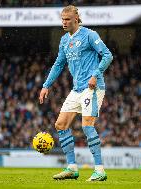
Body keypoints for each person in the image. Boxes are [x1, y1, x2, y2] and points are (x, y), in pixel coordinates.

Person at [39, 5, 113, 181]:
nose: (64, 23)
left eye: (67, 20)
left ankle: (100, 170)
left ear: (76, 19)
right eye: (62, 20)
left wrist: (96, 75)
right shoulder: (64, 40)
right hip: (77, 89)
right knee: (61, 124)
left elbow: (107, 55)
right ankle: (72, 168)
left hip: (92, 88)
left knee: (87, 125)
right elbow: (58, 64)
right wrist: (46, 85)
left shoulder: (89, 35)